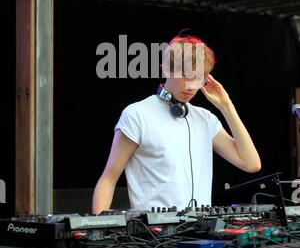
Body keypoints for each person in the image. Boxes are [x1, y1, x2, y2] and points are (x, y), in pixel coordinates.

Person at [92, 34, 261, 214]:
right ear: (166, 69)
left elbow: (251, 164)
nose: (191, 86)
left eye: (199, 78)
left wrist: (226, 106)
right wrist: (98, 231)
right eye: (186, 75)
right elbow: (109, 179)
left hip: (201, 234)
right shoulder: (137, 115)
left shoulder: (206, 119)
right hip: (153, 238)